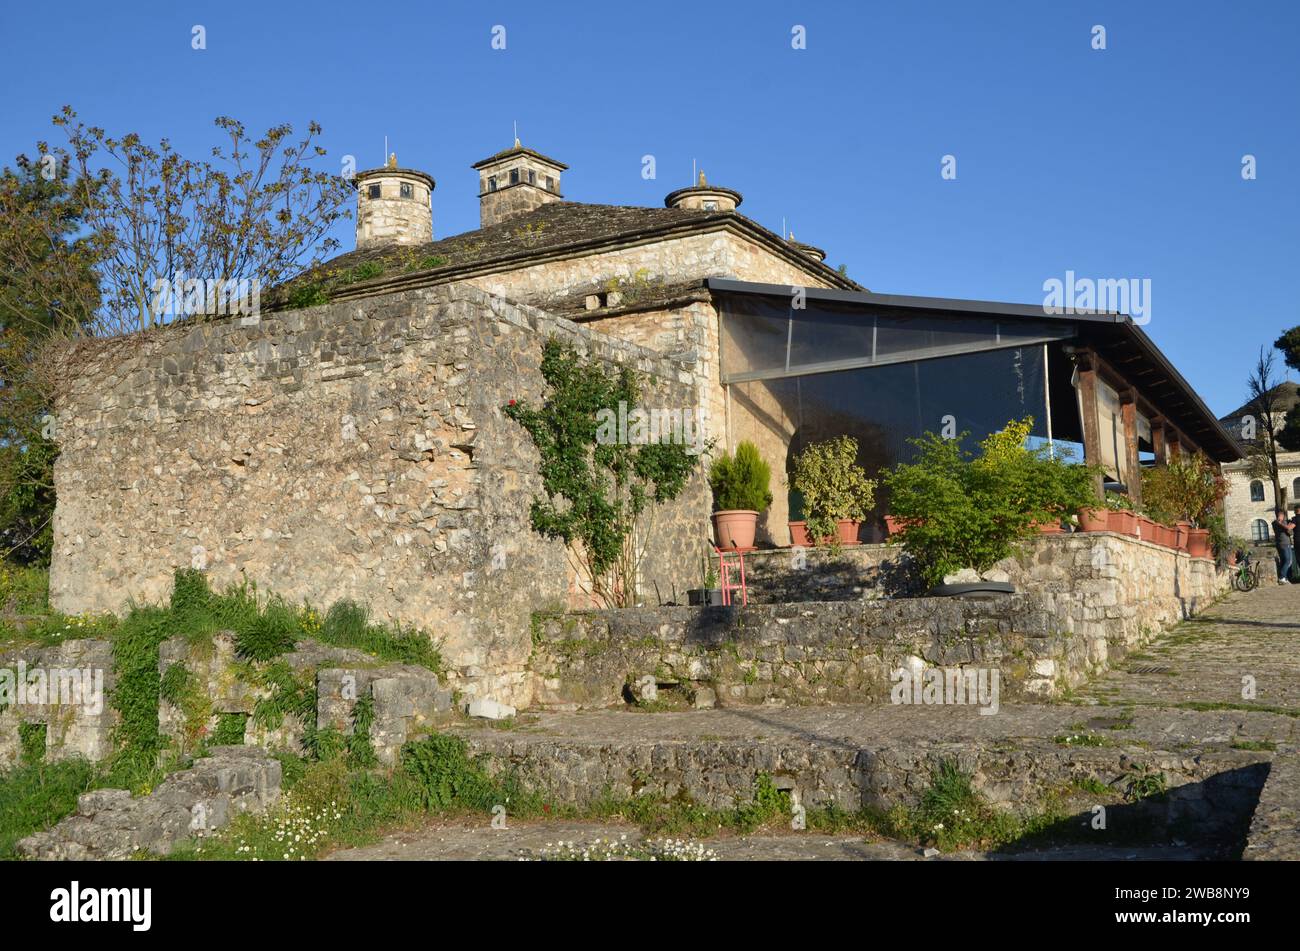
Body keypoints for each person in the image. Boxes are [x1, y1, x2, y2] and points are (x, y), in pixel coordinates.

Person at [1273, 508, 1294, 584]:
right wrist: (1286, 526)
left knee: (1286, 561)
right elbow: (1287, 528)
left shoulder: (1284, 522)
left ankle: (1285, 577)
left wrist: (1286, 527)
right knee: (1287, 560)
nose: (1280, 517)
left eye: (1281, 515)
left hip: (1287, 543)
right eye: (1279, 515)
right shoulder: (1275, 522)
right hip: (1282, 544)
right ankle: (1282, 577)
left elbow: (1290, 532)